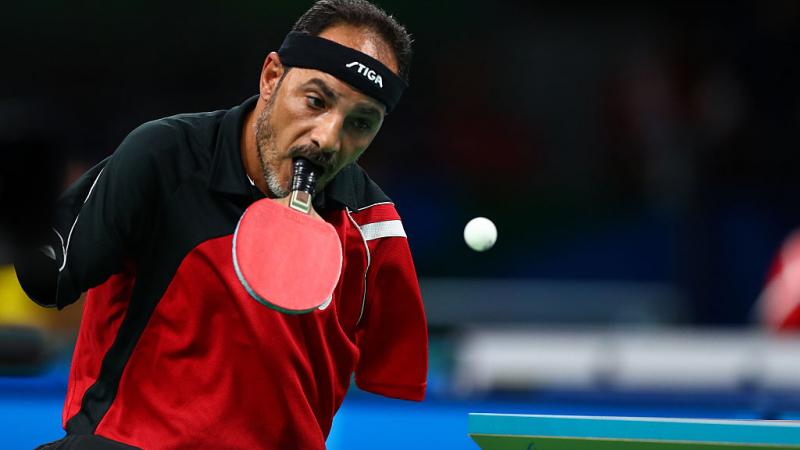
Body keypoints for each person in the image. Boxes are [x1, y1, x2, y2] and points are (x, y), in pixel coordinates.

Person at [14, 1, 428, 448]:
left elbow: (394, 377)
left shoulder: (373, 228)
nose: (327, 137)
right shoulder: (165, 158)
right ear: (272, 77)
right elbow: (46, 277)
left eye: (360, 123)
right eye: (315, 100)